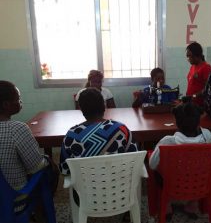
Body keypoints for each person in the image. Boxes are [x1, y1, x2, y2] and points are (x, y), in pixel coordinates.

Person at [149, 99, 211, 221]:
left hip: (172, 184)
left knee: (157, 168)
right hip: (201, 183)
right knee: (201, 170)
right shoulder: (210, 138)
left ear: (177, 122)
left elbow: (152, 165)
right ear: (199, 121)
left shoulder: (167, 142)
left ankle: (167, 206)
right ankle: (192, 206)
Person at [0, 80, 58, 214]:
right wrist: (47, 159)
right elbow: (36, 166)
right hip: (13, 198)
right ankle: (42, 210)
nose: (20, 101)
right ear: (6, 104)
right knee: (51, 167)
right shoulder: (17, 129)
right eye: (18, 98)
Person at [60, 87, 138, 175]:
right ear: (104, 106)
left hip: (85, 188)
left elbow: (65, 170)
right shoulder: (122, 129)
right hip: (121, 186)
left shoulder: (71, 135)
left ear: (81, 110)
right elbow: (134, 160)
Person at [186, 42, 211, 106]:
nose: (189, 59)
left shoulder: (206, 67)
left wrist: (194, 96)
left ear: (197, 55)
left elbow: (207, 88)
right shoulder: (193, 66)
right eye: (187, 56)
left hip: (200, 105)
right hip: (191, 102)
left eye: (190, 56)